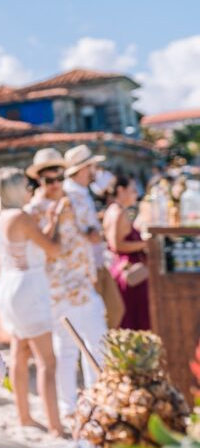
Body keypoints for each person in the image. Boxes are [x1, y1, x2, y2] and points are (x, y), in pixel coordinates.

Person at [25, 147, 107, 419]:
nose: (56, 184)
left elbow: (89, 231)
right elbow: (42, 249)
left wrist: (93, 234)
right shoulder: (33, 211)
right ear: (39, 180)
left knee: (97, 342)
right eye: (49, 180)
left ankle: (95, 401)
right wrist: (54, 220)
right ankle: (69, 407)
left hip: (83, 281)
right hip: (57, 289)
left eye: (59, 177)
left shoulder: (75, 200)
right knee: (66, 350)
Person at [0, 167, 66, 437]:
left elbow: (30, 244)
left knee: (19, 352)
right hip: (28, 287)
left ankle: (24, 416)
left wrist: (47, 223)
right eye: (25, 184)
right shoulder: (21, 216)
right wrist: (55, 221)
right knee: (47, 361)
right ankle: (56, 426)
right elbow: (52, 249)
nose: (29, 189)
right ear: (15, 189)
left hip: (8, 285)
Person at [62, 145, 125, 329]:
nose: (95, 171)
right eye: (92, 167)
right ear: (83, 168)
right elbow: (70, 231)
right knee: (98, 318)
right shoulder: (70, 195)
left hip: (96, 262)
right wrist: (90, 235)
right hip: (85, 267)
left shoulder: (80, 191)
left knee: (114, 310)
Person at [103, 175, 153, 330]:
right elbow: (117, 245)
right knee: (134, 321)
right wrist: (145, 244)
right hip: (129, 272)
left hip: (123, 269)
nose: (135, 194)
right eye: (132, 190)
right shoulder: (118, 213)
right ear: (121, 190)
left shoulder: (114, 210)